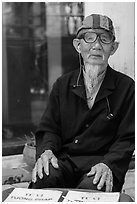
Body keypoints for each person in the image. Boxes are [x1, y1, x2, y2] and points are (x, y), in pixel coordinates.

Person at [29, 14, 135, 197]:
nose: (96, 46)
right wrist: (46, 151)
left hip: (101, 164)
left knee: (93, 190)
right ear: (78, 46)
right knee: (44, 178)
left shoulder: (127, 87)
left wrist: (109, 164)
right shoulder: (63, 85)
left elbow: (126, 139)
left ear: (113, 48)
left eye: (104, 39)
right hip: (66, 161)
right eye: (89, 38)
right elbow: (49, 129)